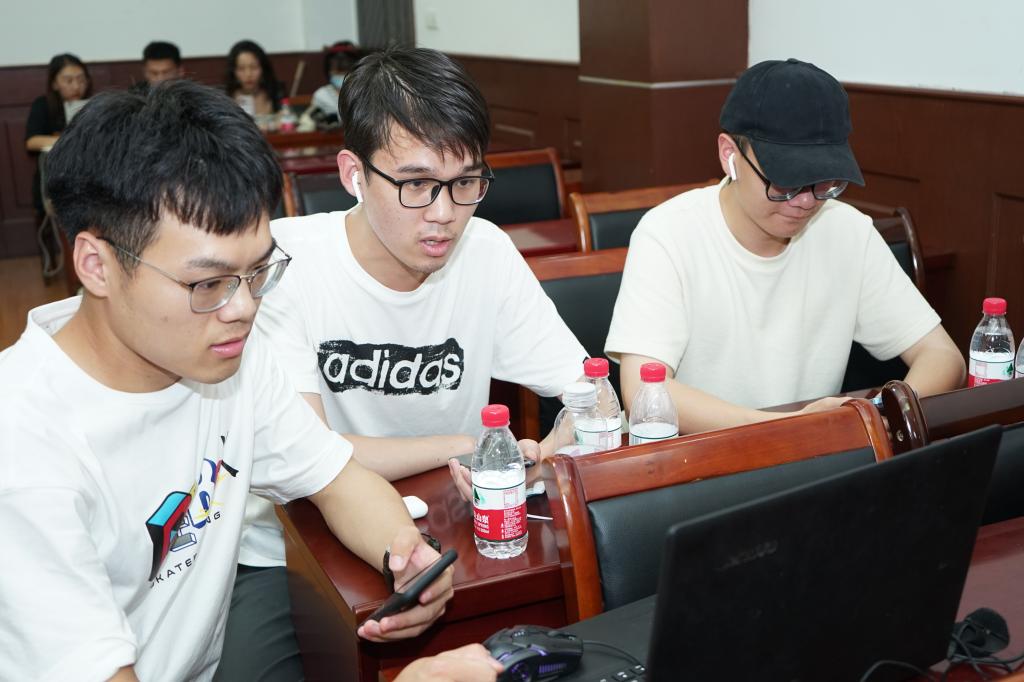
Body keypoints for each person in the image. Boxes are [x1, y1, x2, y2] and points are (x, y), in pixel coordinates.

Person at [0, 80, 474, 682]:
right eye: (208, 283)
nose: (244, 308)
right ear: (97, 265)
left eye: (258, 272)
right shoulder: (24, 447)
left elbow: (337, 479)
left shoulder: (228, 360)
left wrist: (405, 555)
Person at [251, 45, 587, 568]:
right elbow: (306, 454)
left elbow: (592, 394)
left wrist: (547, 455)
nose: (445, 213)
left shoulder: (486, 251)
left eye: (465, 182)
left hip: (457, 526)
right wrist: (467, 443)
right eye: (416, 184)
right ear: (353, 174)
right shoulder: (283, 262)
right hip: (297, 550)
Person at [605, 58, 965, 435]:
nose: (806, 201)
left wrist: (883, 420)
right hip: (698, 459)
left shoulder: (847, 231)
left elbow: (942, 356)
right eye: (785, 182)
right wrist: (790, 429)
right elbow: (644, 392)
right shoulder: (669, 234)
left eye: (825, 183)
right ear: (730, 155)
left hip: (816, 453)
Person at [225, 39, 282, 127]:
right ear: (233, 71)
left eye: (254, 67)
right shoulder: (226, 98)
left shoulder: (274, 93)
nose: (248, 74)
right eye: (241, 68)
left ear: (263, 69)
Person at [306, 41, 360, 124]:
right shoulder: (321, 95)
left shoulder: (363, 93)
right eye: (336, 70)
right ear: (328, 71)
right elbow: (311, 119)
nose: (341, 74)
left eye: (344, 70)